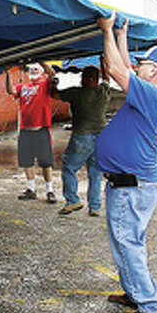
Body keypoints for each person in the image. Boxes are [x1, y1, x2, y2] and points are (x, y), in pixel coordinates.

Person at [94, 14, 157, 313]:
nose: (136, 67)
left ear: (153, 71)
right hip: (130, 184)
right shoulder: (150, 93)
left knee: (128, 242)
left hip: (132, 186)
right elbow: (126, 66)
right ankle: (134, 291)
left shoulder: (154, 96)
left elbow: (118, 69)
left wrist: (106, 31)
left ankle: (150, 303)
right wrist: (121, 34)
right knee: (126, 241)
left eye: (143, 65)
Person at [52, 63, 112, 216]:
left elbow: (55, 95)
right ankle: (95, 207)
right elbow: (107, 79)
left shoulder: (76, 93)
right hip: (102, 137)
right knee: (95, 172)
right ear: (96, 79)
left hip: (82, 135)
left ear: (84, 78)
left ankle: (73, 201)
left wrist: (52, 81)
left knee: (69, 167)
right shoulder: (103, 91)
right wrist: (104, 61)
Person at [6, 61, 58, 202]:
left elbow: (52, 73)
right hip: (25, 131)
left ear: (41, 72)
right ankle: (31, 189)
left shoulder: (45, 84)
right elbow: (11, 90)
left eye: (36, 69)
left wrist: (40, 60)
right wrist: (8, 73)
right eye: (31, 69)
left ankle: (50, 191)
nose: (33, 71)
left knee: (46, 162)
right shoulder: (23, 87)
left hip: (41, 130)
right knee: (27, 161)